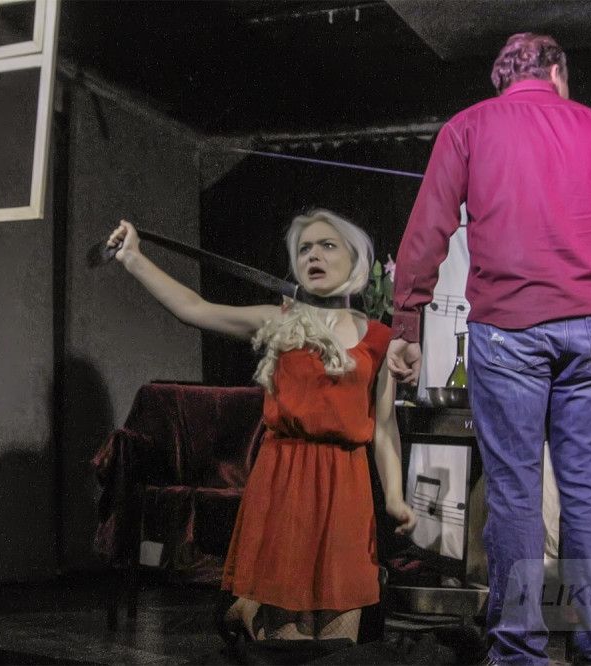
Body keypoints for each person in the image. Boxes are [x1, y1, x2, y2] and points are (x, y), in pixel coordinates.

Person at [386, 33, 591, 665]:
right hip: (589, 331)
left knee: (514, 492)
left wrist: (407, 321)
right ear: (557, 71)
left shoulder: (468, 127)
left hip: (507, 331)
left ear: (503, 79)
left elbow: (427, 228)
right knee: (586, 486)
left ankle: (519, 651)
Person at [106, 209, 416, 644]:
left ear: (355, 260)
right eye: (304, 249)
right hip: (285, 482)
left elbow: (384, 428)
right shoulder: (281, 322)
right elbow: (195, 309)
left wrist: (396, 496)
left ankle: (246, 611)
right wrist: (134, 258)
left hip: (347, 490)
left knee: (338, 640)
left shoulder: (380, 339)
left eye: (327, 246)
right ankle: (251, 613)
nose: (314, 255)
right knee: (287, 639)